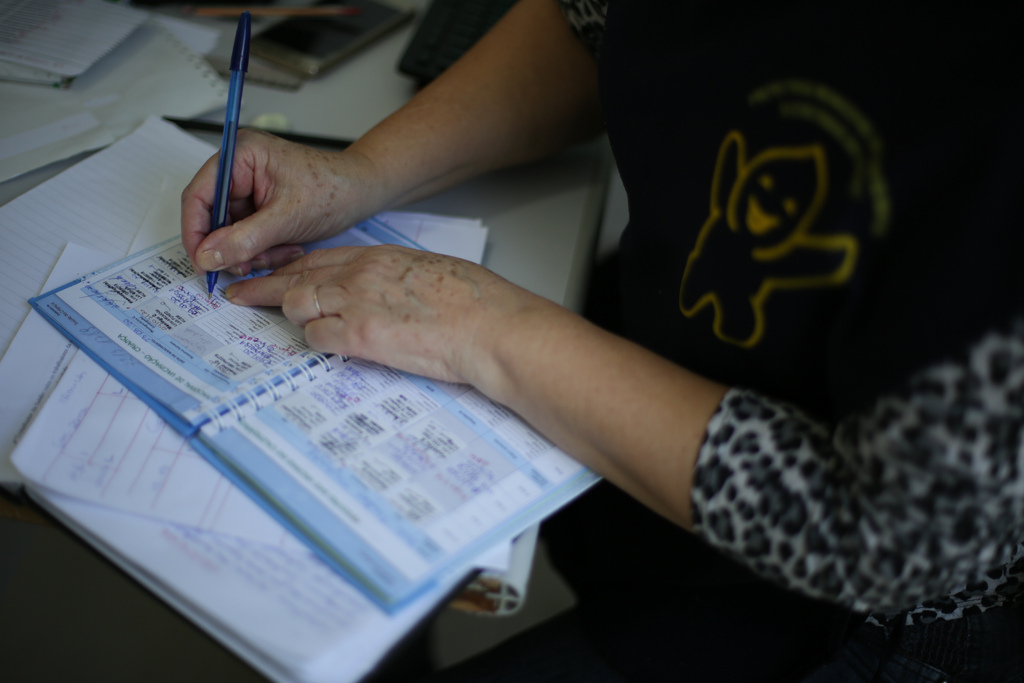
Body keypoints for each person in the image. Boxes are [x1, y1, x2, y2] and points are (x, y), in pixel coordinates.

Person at [181, 0, 1024, 680]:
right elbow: (587, 25)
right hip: (662, 373)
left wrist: (478, 323)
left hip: (860, 613)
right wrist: (356, 175)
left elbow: (890, 532)